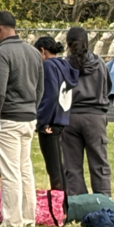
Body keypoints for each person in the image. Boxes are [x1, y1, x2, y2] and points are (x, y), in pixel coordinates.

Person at [0, 11, 44, 227]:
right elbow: (41, 88)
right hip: (29, 116)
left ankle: (12, 220)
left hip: (8, 118)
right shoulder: (33, 52)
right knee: (24, 169)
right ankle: (29, 217)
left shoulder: (0, 54)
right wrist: (33, 109)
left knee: (10, 172)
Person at [62, 27, 113, 196]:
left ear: (68, 44)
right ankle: (103, 199)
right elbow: (108, 87)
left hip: (70, 117)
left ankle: (76, 200)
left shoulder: (64, 65)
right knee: (99, 162)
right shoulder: (99, 63)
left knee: (72, 164)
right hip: (95, 116)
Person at [33, 36, 78, 192]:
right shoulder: (64, 65)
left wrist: (42, 122)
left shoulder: (48, 66)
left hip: (49, 122)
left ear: (42, 51)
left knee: (53, 168)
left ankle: (58, 206)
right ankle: (63, 203)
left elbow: (50, 94)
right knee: (58, 165)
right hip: (61, 117)